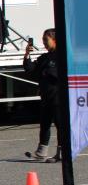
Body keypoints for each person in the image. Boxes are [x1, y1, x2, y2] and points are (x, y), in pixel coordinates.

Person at [24, 29, 63, 161]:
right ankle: (41, 151)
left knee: (60, 125)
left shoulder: (62, 56)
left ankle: (61, 152)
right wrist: (27, 55)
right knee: (44, 124)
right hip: (46, 97)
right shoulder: (45, 57)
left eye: (46, 40)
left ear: (54, 40)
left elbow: (57, 74)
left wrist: (45, 72)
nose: (44, 43)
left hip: (58, 97)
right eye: (43, 40)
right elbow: (30, 69)